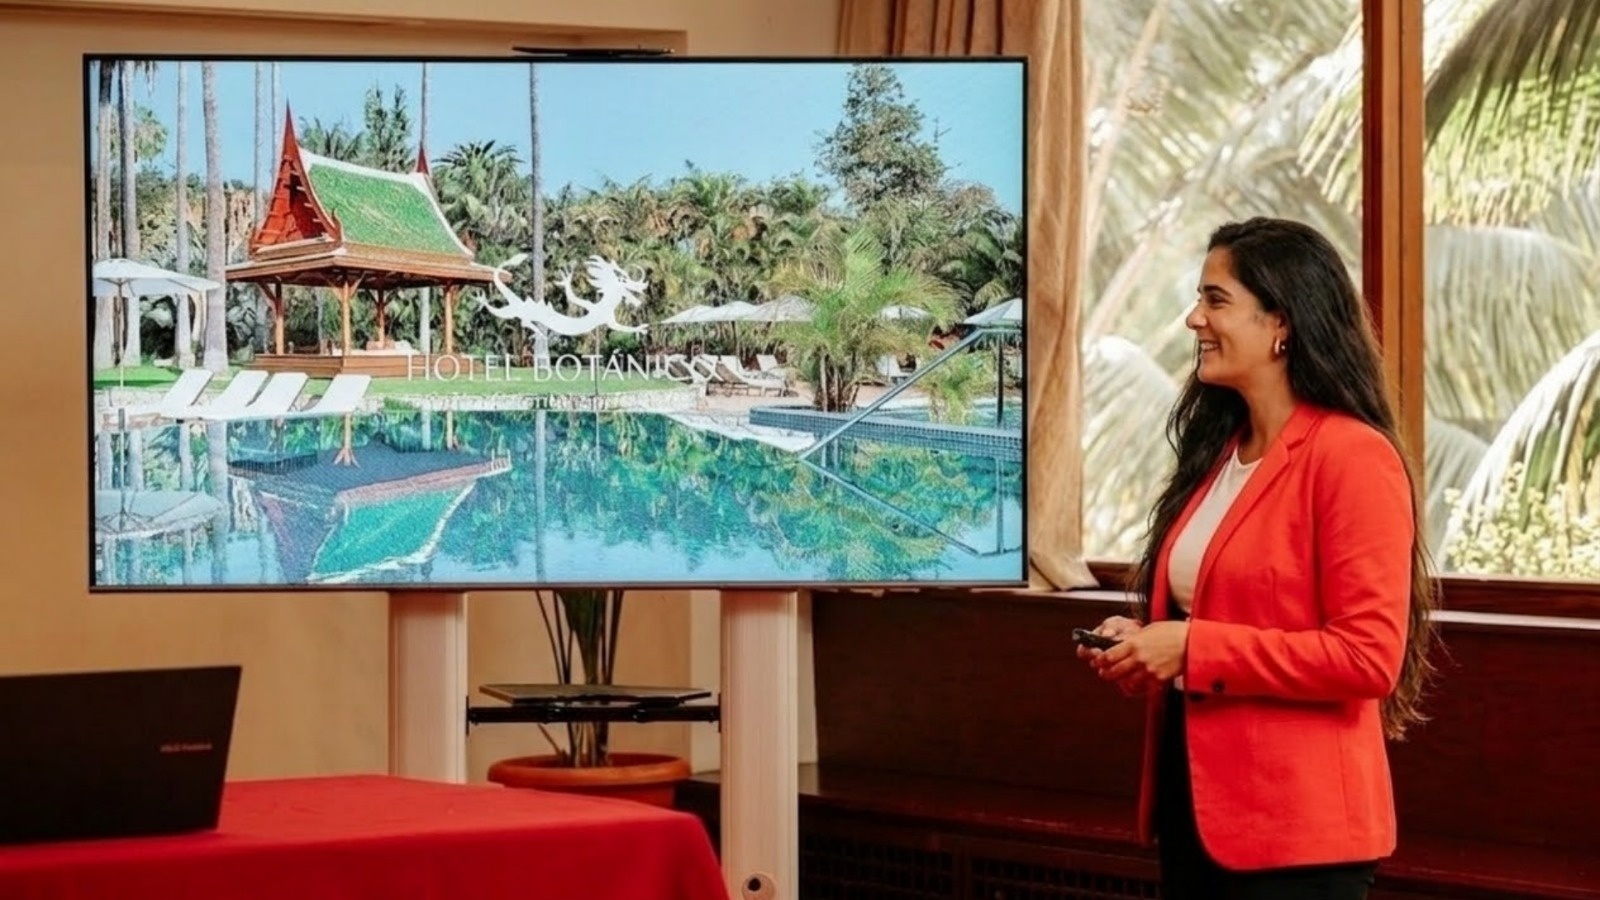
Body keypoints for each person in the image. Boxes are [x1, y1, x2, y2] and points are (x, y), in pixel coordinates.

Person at [1077, 217, 1438, 899]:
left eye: (1216, 301)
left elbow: (1368, 657)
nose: (1193, 319)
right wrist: (1142, 648)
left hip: (1298, 837)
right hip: (1197, 811)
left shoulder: (1353, 457)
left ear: (1282, 322)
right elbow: (1218, 617)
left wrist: (1193, 648)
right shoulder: (1219, 453)